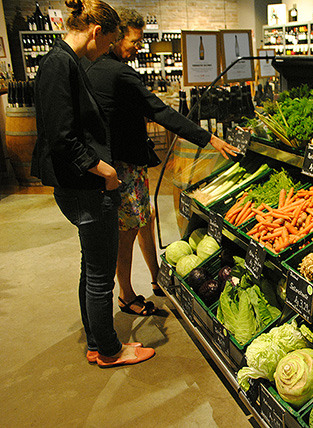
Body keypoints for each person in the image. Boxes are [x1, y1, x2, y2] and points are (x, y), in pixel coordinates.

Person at [84, 9, 238, 316]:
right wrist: (209, 138)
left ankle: (156, 277)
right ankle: (126, 294)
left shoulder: (92, 67)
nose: (138, 47)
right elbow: (160, 111)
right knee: (127, 229)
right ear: (116, 37)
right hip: (124, 164)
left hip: (113, 160)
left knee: (145, 218)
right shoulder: (119, 73)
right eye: (134, 40)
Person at [31, 0, 154, 368]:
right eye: (109, 42)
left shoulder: (65, 61)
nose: (107, 50)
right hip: (86, 185)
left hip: (82, 183)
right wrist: (106, 172)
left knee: (92, 267)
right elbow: (62, 136)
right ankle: (111, 350)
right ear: (96, 32)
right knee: (100, 273)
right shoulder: (60, 64)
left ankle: (96, 342)